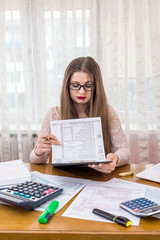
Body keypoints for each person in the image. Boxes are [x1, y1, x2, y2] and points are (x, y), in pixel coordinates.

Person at [30, 56, 130, 173]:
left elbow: (124, 151)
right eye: (75, 85)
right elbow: (36, 160)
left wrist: (116, 159)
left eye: (88, 86)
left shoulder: (107, 112)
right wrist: (38, 150)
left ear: (96, 87)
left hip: (99, 176)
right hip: (64, 178)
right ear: (67, 86)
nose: (81, 91)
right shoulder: (54, 114)